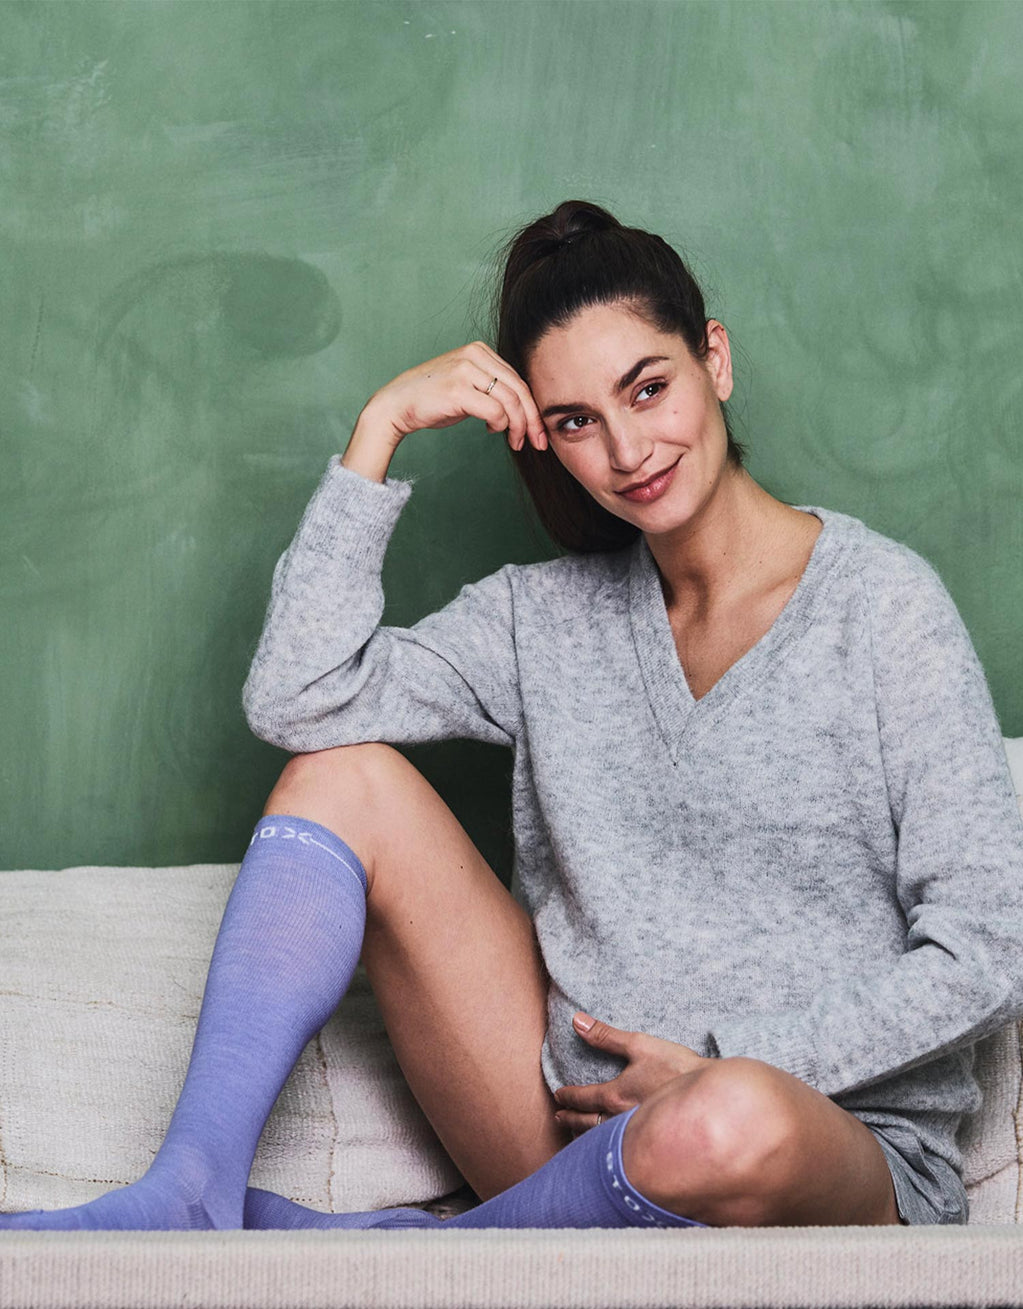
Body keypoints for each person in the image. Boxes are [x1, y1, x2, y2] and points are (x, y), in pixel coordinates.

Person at [3, 200, 1022, 1233]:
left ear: (715, 358)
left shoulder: (884, 609)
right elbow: (297, 698)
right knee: (342, 776)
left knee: (726, 1117)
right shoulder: (542, 619)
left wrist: (721, 1061)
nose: (628, 448)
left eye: (649, 388)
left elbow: (986, 952)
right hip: (558, 1131)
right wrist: (381, 427)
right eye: (577, 420)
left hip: (807, 1145)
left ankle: (423, 1258)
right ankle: (187, 1195)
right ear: (543, 433)